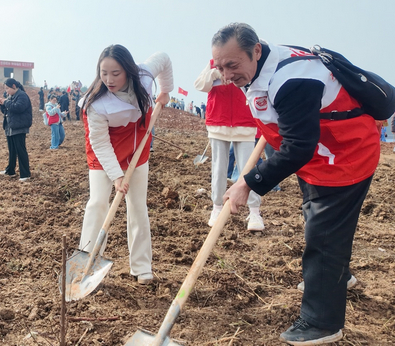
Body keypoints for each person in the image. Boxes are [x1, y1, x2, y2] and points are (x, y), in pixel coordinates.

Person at [213, 23, 378, 345]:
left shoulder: (294, 79)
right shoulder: (259, 67)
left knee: (324, 234)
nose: (226, 75)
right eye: (219, 66)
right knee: (318, 221)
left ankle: (321, 322)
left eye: (232, 65)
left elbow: (298, 146)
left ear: (256, 50)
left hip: (345, 156)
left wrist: (248, 183)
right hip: (318, 161)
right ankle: (334, 278)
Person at [78, 45, 172, 285]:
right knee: (98, 203)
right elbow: (100, 143)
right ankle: (86, 264)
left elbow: (163, 58)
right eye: (103, 73)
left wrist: (165, 91)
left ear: (128, 70)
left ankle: (142, 267)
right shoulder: (95, 103)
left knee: (138, 206)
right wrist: (117, 176)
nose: (109, 79)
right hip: (104, 153)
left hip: (137, 150)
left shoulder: (144, 77)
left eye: (116, 73)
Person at [195, 59, 264, 231]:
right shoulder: (213, 64)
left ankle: (254, 211)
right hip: (218, 123)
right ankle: (217, 207)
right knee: (219, 167)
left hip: (245, 123)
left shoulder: (246, 61)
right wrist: (214, 73)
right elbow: (200, 85)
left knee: (248, 168)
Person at [0, 78, 33, 181]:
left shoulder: (22, 95)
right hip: (10, 126)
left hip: (19, 127)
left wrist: (6, 102)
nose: (6, 91)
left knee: (20, 150)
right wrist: (2, 104)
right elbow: (7, 111)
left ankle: (25, 174)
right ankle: (10, 170)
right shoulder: (11, 96)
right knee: (12, 150)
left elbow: (18, 108)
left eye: (7, 88)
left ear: (13, 86)